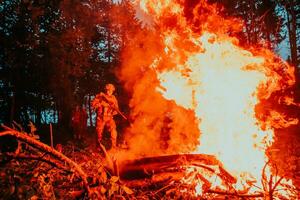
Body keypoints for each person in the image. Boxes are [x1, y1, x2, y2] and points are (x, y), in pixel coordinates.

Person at [92, 83, 119, 148]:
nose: (109, 92)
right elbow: (93, 105)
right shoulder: (99, 96)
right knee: (99, 134)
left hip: (109, 118)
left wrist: (112, 108)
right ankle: (98, 147)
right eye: (108, 90)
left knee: (113, 131)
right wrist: (99, 104)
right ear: (106, 90)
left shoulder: (113, 98)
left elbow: (116, 110)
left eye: (111, 90)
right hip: (101, 118)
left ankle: (114, 146)